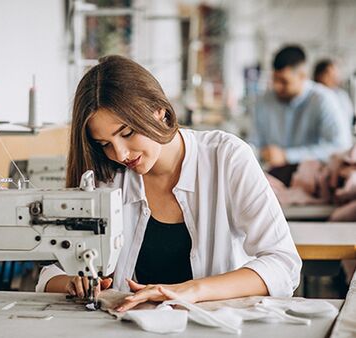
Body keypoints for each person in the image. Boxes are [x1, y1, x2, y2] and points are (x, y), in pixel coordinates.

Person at [36, 55, 301, 312]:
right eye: (105, 144)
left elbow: (283, 265)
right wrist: (74, 282)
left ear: (159, 111)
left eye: (127, 133)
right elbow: (52, 271)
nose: (120, 154)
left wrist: (192, 290)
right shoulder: (108, 175)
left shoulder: (226, 157)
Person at [251, 45, 351, 169]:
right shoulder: (264, 100)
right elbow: (254, 142)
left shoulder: (323, 99)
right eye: (275, 79)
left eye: (284, 81)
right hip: (272, 173)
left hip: (312, 177)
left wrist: (287, 156)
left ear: (302, 76)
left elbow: (340, 147)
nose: (277, 87)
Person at [314, 59, 354, 127]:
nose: (335, 77)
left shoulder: (341, 95)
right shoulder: (313, 95)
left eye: (335, 74)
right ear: (319, 75)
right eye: (330, 74)